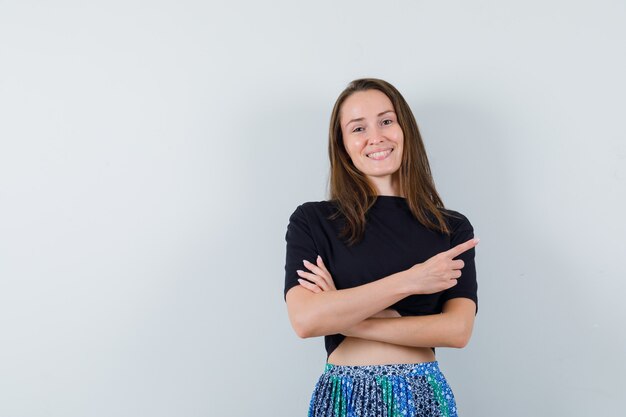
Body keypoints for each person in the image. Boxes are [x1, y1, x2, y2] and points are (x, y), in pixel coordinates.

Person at [283, 78, 479, 417]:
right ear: (343, 143)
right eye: (358, 128)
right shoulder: (314, 220)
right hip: (344, 396)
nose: (376, 136)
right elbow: (306, 319)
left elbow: (457, 330)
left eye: (386, 121)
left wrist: (349, 321)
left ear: (405, 129)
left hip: (421, 396)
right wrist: (412, 281)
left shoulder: (450, 227)